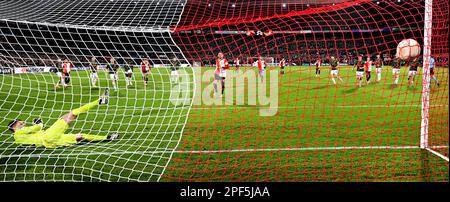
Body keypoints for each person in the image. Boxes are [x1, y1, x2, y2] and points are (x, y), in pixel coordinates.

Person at [7, 89, 119, 148]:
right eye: (19, 122)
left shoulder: (18, 139)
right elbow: (38, 127)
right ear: (14, 126)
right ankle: (100, 101)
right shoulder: (18, 133)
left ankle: (108, 137)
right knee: (72, 114)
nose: (22, 122)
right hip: (48, 136)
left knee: (80, 136)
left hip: (51, 143)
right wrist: (39, 122)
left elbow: (31, 136)